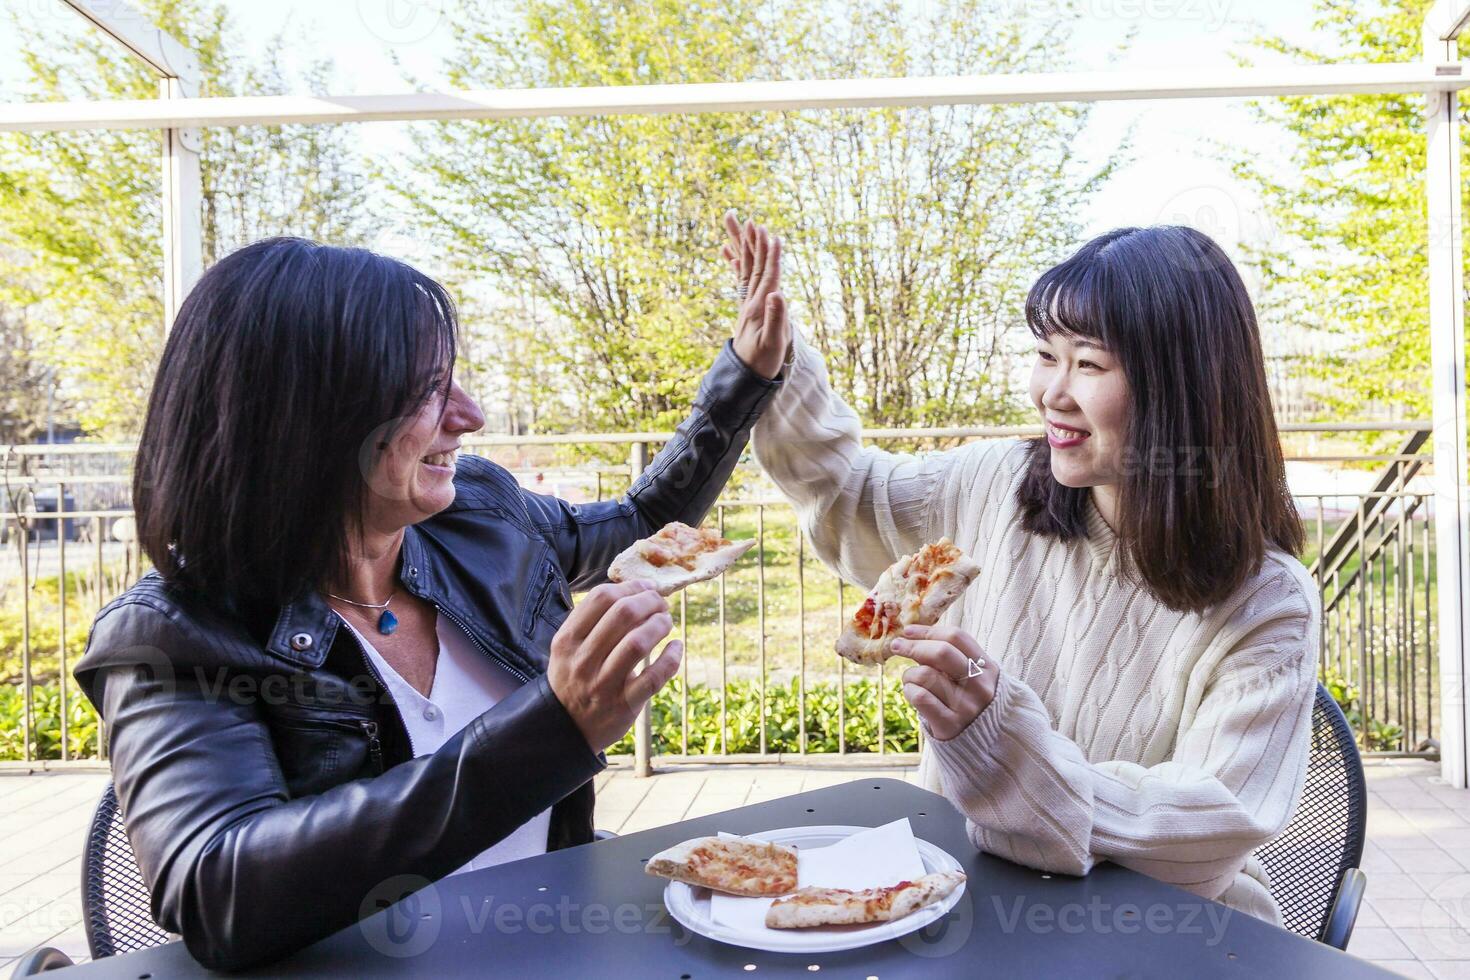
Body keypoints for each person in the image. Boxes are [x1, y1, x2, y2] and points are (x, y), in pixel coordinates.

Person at [74, 218, 791, 970]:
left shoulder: (480, 518)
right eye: (429, 390)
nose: (470, 415)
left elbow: (642, 524)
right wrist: (552, 727)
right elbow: (220, 890)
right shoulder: (168, 634)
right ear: (313, 422)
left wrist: (742, 373)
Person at [741, 222, 1318, 926]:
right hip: (974, 905)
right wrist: (774, 366)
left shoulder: (1269, 600)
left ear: (1181, 388)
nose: (1052, 392)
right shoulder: (996, 483)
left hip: (1168, 936)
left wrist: (1004, 740)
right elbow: (850, 496)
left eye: (1089, 364)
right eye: (1047, 355)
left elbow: (1208, 833)